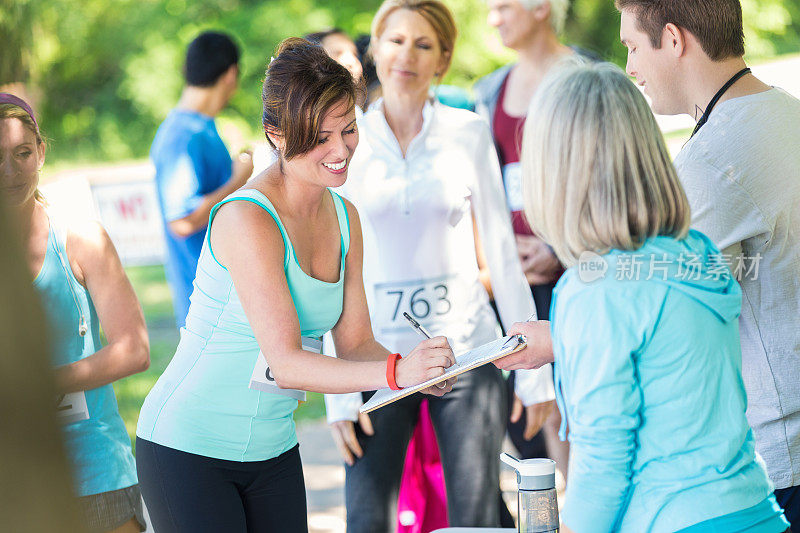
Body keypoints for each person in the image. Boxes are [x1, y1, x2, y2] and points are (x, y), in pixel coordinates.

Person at [135, 38, 456, 533]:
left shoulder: (346, 217)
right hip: (188, 447)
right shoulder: (247, 217)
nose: (340, 150)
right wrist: (398, 372)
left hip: (272, 451)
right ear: (277, 136)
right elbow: (285, 363)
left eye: (348, 130)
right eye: (320, 137)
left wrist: (418, 369)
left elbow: (355, 346)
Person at [502, 62, 791, 533]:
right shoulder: (694, 252)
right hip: (754, 511)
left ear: (553, 172)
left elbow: (605, 462)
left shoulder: (591, 289)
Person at [323, 1, 551, 530]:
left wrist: (535, 378)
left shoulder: (468, 132)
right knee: (365, 520)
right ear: (375, 50)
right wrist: (336, 397)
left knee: (476, 519)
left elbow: (499, 249)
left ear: (443, 59)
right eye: (396, 40)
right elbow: (328, 269)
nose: (407, 55)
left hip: (467, 350)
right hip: (376, 358)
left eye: (424, 45)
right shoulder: (343, 140)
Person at [616, 0, 800, 525]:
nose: (630, 67)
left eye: (632, 46)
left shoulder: (712, 159)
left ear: (673, 40)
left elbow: (677, 323)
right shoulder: (786, 110)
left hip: (775, 460)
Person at [1, 93, 150, 532]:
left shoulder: (80, 238)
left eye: (22, 153)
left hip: (95, 469)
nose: (10, 171)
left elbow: (135, 349)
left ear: (41, 152)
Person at [473, 0, 594, 470]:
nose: (493, 18)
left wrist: (559, 250)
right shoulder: (487, 91)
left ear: (542, 6)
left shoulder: (592, 76)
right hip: (516, 280)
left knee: (587, 406)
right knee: (539, 409)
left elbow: (615, 179)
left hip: (583, 271)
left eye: (503, 6)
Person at [150, 31, 254, 329]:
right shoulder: (181, 136)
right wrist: (238, 179)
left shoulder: (200, 127)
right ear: (231, 74)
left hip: (226, 297)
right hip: (205, 306)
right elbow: (182, 222)